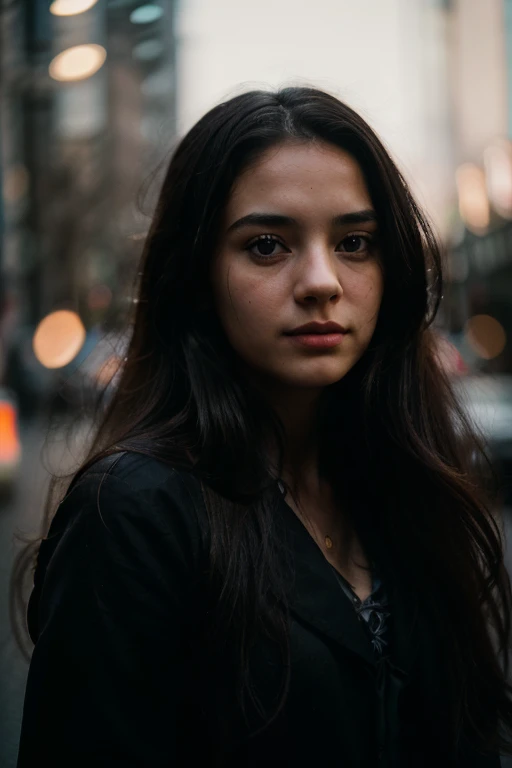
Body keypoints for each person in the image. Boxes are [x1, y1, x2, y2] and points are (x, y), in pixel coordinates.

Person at [15, 87, 512, 767]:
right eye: (269, 245)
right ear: (197, 274)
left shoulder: (405, 476)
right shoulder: (134, 512)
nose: (321, 281)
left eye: (355, 242)